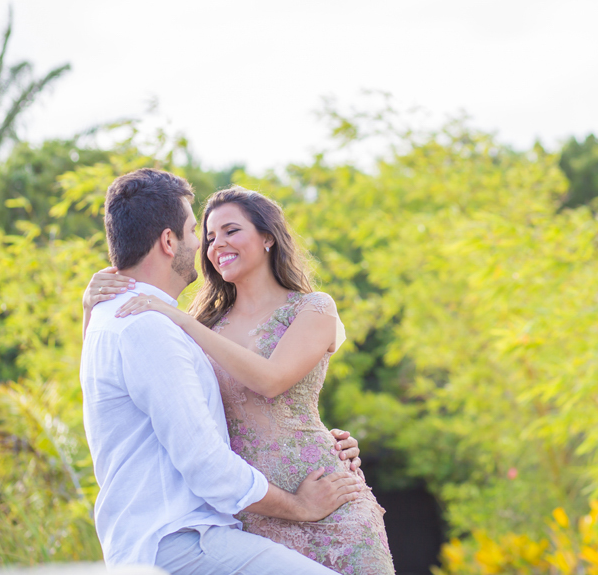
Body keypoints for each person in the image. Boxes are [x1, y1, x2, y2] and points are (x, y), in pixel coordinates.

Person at [84, 183, 396, 575]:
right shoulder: (201, 325)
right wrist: (91, 308)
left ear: (267, 236)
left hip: (322, 492)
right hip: (254, 511)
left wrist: (177, 316)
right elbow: (117, 380)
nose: (214, 245)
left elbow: (272, 382)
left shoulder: (313, 308)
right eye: (208, 236)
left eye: (230, 231)